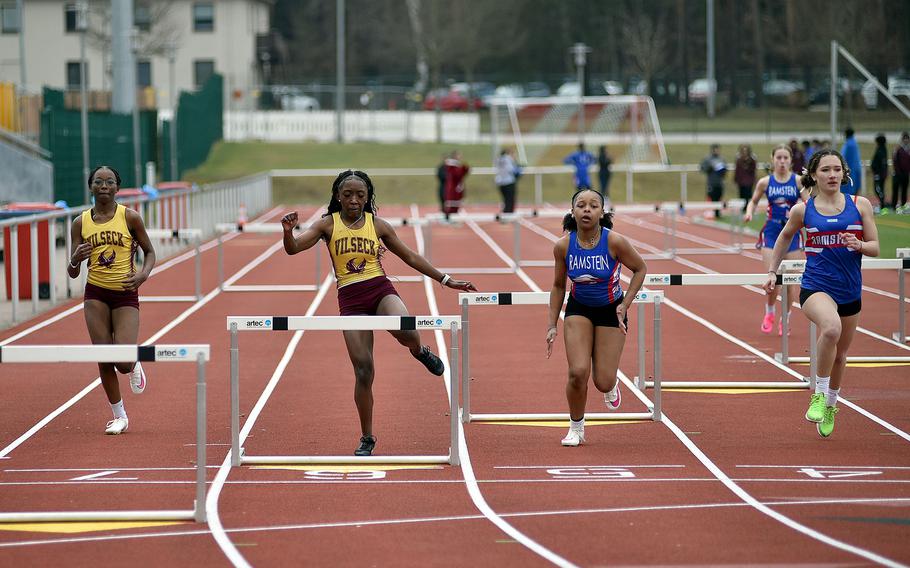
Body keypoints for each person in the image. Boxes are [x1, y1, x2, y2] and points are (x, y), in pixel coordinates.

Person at [281, 170, 477, 456]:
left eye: (360, 195)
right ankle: (367, 437)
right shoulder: (327, 225)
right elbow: (294, 249)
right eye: (347, 194)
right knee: (363, 371)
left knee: (407, 330)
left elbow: (410, 256)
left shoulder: (378, 225)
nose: (353, 200)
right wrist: (288, 233)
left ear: (368, 197)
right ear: (337, 195)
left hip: (380, 290)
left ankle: (420, 350)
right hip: (350, 299)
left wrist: (446, 280)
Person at [763, 150, 879, 438]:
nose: (832, 175)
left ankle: (830, 405)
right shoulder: (803, 210)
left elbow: (876, 247)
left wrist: (859, 245)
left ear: (844, 173)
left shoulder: (860, 205)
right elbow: (784, 237)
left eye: (837, 169)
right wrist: (772, 272)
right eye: (826, 170)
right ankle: (818, 393)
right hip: (816, 286)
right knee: (830, 329)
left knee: (841, 355)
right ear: (814, 174)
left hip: (850, 289)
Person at [545, 189, 647, 447]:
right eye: (581, 205)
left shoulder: (614, 242)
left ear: (602, 213)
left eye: (593, 206)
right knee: (577, 372)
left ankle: (611, 384)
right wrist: (551, 324)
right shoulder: (563, 246)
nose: (587, 210)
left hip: (611, 310)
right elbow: (558, 286)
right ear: (573, 212)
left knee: (602, 381)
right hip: (578, 309)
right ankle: (576, 427)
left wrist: (625, 303)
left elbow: (640, 268)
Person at [67, 166, 157, 435]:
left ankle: (133, 364)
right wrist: (75, 258)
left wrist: (142, 276)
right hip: (95, 293)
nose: (103, 186)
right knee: (104, 356)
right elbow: (72, 272)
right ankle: (119, 415)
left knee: (123, 361)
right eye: (98, 181)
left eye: (109, 182)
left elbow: (150, 252)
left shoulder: (130, 218)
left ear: (117, 188)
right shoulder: (80, 223)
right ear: (90, 186)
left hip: (125, 293)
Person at [744, 144, 807, 335]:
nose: (782, 161)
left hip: (792, 233)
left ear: (790, 160)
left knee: (790, 284)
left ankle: (785, 318)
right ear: (773, 159)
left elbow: (809, 204)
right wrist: (749, 212)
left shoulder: (797, 181)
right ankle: (770, 312)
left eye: (785, 158)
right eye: (778, 157)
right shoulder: (765, 182)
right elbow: (753, 200)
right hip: (771, 232)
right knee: (774, 280)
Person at [700, 144, 727, 218]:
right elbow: (702, 169)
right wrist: (710, 168)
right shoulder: (707, 159)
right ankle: (709, 212)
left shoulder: (721, 159)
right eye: (715, 149)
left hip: (719, 182)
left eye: (717, 149)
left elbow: (725, 170)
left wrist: (722, 170)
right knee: (711, 197)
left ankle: (718, 213)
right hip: (711, 182)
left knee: (719, 197)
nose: (716, 151)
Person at [494, 147, 521, 214]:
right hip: (508, 182)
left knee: (506, 199)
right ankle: (508, 214)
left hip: (500, 182)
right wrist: (519, 169)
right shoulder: (507, 159)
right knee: (510, 200)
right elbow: (512, 170)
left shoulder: (498, 159)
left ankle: (506, 212)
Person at [443, 150, 469, 216]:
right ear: (454, 156)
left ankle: (453, 217)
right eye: (458, 155)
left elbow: (461, 175)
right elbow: (457, 175)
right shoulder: (452, 166)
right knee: (452, 205)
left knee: (456, 205)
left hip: (457, 188)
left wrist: (464, 169)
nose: (460, 157)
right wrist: (464, 169)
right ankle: (449, 218)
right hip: (453, 188)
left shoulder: (456, 165)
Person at [734, 144, 758, 213]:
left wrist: (753, 180)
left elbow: (753, 170)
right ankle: (743, 208)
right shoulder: (739, 159)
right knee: (741, 195)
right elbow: (737, 170)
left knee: (748, 195)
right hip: (741, 181)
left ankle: (748, 208)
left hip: (749, 181)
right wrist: (736, 179)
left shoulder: (752, 160)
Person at [840, 127, 862, 196]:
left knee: (848, 192)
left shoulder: (848, 145)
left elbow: (843, 158)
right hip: (855, 170)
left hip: (850, 170)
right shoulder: (854, 143)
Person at [892, 131, 910, 212]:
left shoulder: (908, 150)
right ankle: (894, 205)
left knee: (904, 190)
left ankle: (903, 204)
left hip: (906, 174)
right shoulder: (898, 149)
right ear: (902, 140)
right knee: (896, 190)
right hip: (898, 174)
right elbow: (895, 161)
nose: (906, 140)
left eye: (907, 139)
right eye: (904, 139)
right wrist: (897, 172)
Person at [870, 133, 888, 213]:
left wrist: (877, 172)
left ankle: (883, 206)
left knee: (878, 189)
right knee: (880, 189)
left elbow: (879, 163)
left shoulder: (881, 150)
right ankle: (882, 205)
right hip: (880, 174)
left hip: (879, 174)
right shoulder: (882, 149)